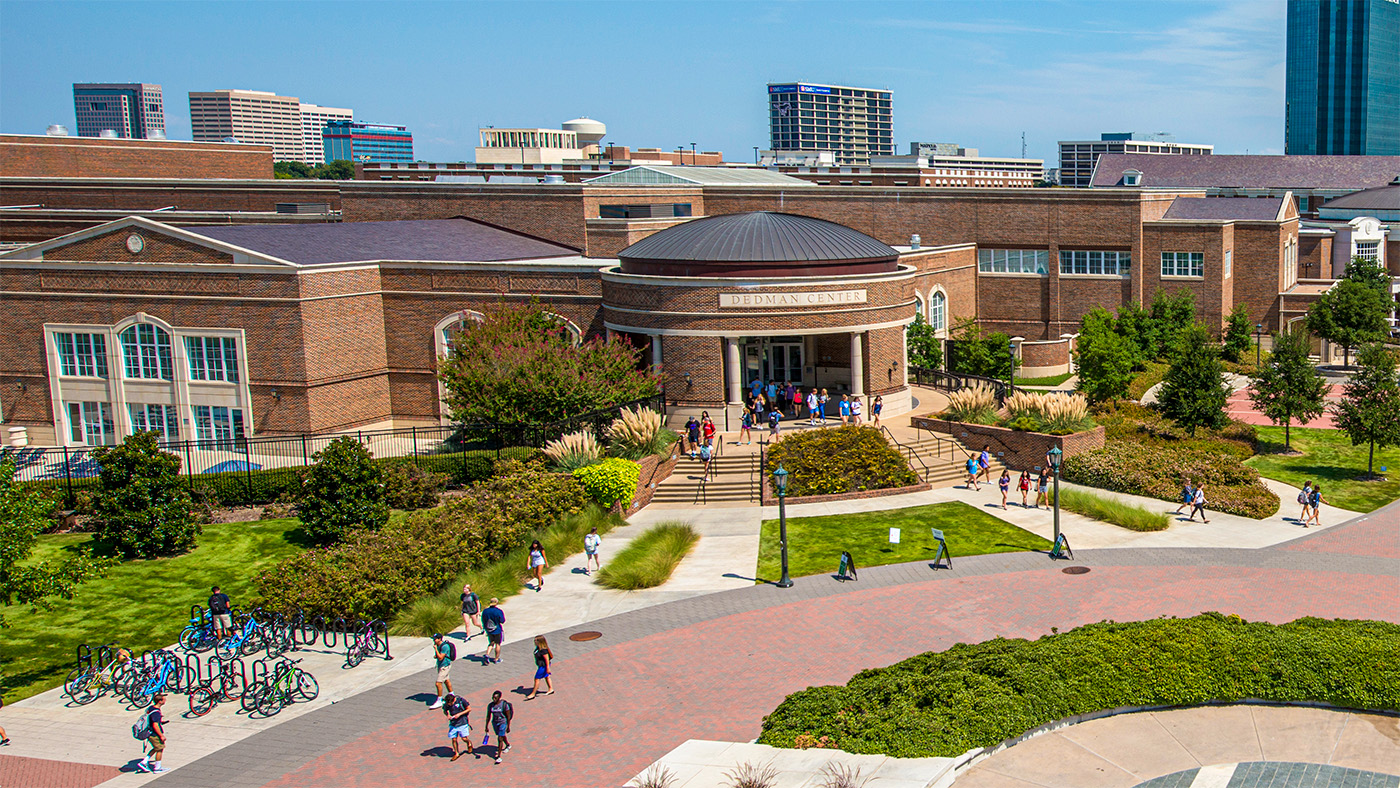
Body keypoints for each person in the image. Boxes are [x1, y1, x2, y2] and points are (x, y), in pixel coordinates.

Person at [139, 693, 168, 773]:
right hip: (154, 734)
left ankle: (144, 762)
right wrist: (161, 735)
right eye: (164, 699)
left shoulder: (151, 708)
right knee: (160, 749)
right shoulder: (156, 713)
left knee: (156, 748)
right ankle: (157, 768)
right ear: (160, 701)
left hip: (150, 733)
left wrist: (160, 721)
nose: (165, 701)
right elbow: (155, 725)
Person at [443, 692, 476, 761]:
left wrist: (459, 714)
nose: (449, 705)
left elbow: (469, 709)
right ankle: (456, 753)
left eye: (451, 704)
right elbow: (445, 710)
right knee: (454, 739)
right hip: (453, 724)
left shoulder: (461, 701)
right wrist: (448, 715)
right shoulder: (447, 703)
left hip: (462, 722)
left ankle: (469, 743)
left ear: (454, 700)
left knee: (464, 738)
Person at [485, 690, 513, 764]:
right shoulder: (491, 705)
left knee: (500, 738)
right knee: (501, 735)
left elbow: (508, 716)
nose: (494, 699)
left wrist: (508, 726)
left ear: (499, 698)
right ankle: (508, 745)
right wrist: (486, 726)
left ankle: (498, 757)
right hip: (495, 722)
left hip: (503, 722)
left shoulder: (504, 705)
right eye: (493, 698)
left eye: (496, 698)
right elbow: (488, 716)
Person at [430, 633, 456, 709]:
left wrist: (435, 649)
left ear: (440, 639)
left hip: (445, 666)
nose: (434, 641)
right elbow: (438, 656)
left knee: (438, 683)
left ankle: (439, 700)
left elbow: (441, 657)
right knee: (446, 680)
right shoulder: (439, 646)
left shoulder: (445, 646)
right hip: (441, 665)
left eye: (435, 639)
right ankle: (452, 694)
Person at [527, 635, 554, 699]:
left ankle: (533, 693)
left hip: (543, 666)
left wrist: (547, 668)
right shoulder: (538, 648)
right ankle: (551, 688)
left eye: (536, 640)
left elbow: (547, 659)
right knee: (547, 677)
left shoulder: (543, 650)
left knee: (537, 679)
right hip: (541, 665)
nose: (534, 642)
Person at [481, 599, 505, 663]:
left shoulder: (485, 611)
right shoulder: (498, 611)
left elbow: (483, 620)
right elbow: (502, 621)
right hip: (497, 630)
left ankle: (487, 654)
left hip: (489, 630)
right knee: (497, 644)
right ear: (496, 603)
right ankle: (496, 659)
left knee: (491, 642)